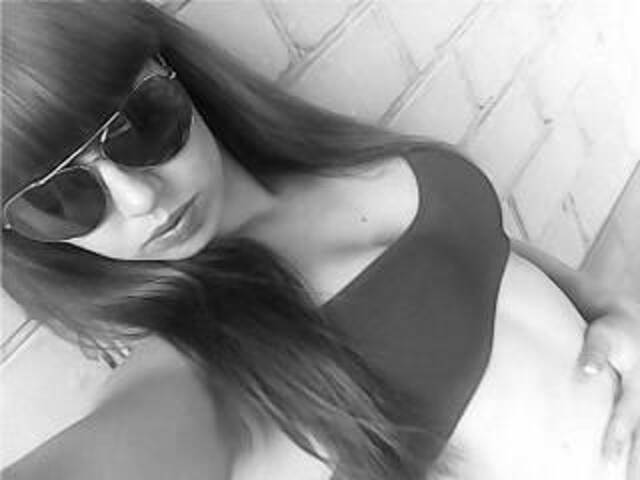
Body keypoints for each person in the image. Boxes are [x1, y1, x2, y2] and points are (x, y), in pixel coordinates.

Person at [2, 2, 639, 479]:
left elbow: (479, 252)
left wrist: (601, 304)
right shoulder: (188, 365)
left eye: (140, 123)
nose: (141, 199)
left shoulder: (326, 158)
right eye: (57, 201)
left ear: (176, 73)